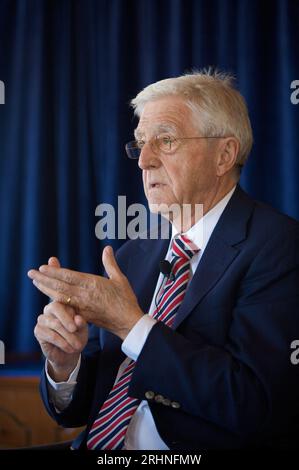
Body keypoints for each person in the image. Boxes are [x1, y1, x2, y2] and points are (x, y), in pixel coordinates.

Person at [28, 71, 299, 450]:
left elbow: (255, 404)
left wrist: (130, 324)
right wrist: (64, 364)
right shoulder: (132, 254)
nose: (144, 162)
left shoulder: (280, 247)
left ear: (224, 155)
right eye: (140, 144)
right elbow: (78, 411)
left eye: (166, 141)